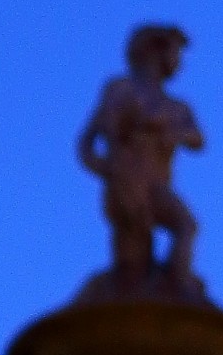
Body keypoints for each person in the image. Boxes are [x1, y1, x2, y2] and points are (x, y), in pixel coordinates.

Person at [76, 23, 203, 293]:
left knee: (186, 226)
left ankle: (177, 286)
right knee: (133, 263)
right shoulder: (122, 90)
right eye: (174, 53)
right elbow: (90, 142)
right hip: (127, 181)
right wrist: (112, 172)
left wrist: (174, 133)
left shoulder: (175, 106)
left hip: (156, 185)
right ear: (155, 52)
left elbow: (197, 139)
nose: (178, 62)